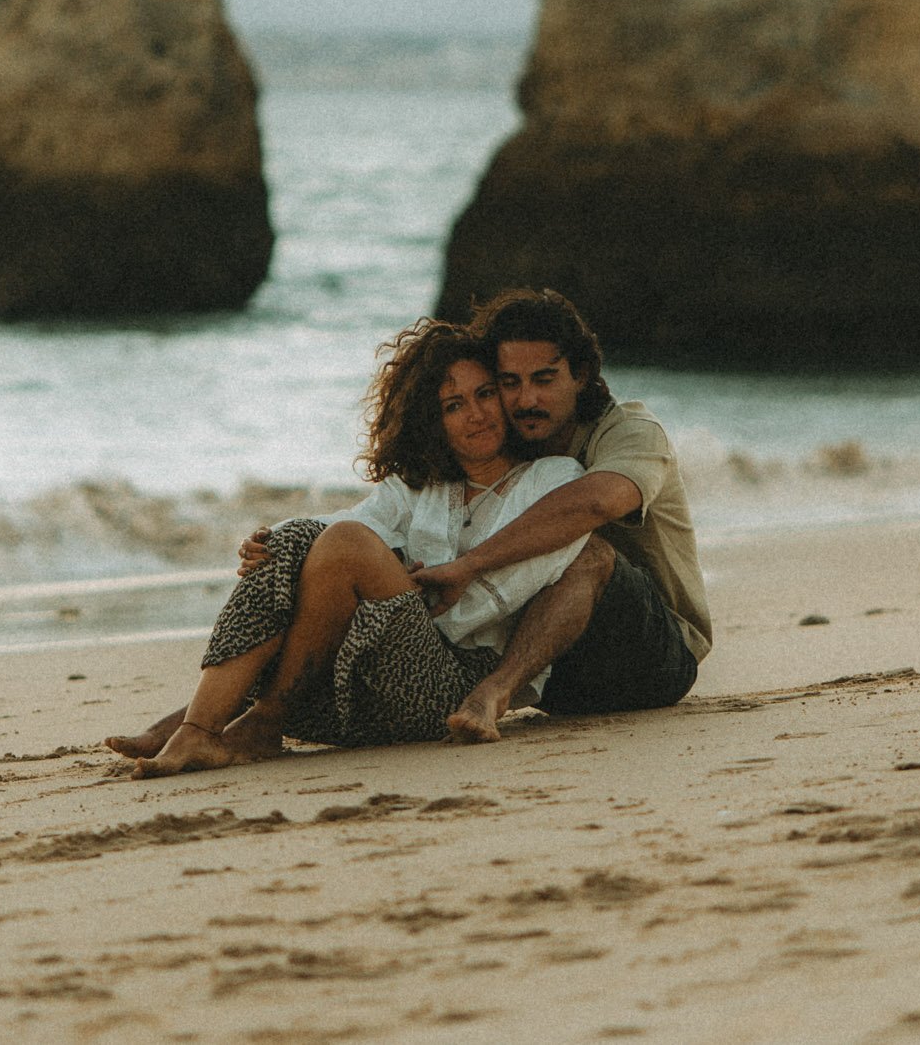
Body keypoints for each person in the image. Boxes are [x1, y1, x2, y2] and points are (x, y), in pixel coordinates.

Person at [105, 320, 588, 776]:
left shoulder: (553, 480)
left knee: (347, 547)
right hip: (370, 683)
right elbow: (342, 524)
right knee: (293, 541)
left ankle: (251, 719)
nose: (477, 413)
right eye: (453, 405)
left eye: (485, 394)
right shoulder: (419, 488)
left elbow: (493, 599)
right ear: (432, 421)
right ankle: (200, 730)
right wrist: (267, 542)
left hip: (452, 687)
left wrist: (398, 588)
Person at [412, 288, 712, 743]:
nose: (526, 399)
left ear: (581, 374)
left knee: (585, 551)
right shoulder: (503, 445)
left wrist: (469, 565)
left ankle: (492, 694)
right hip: (556, 676)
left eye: (544, 379)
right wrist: (287, 544)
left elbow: (595, 503)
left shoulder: (630, 431)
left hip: (652, 660)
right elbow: (405, 506)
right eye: (510, 382)